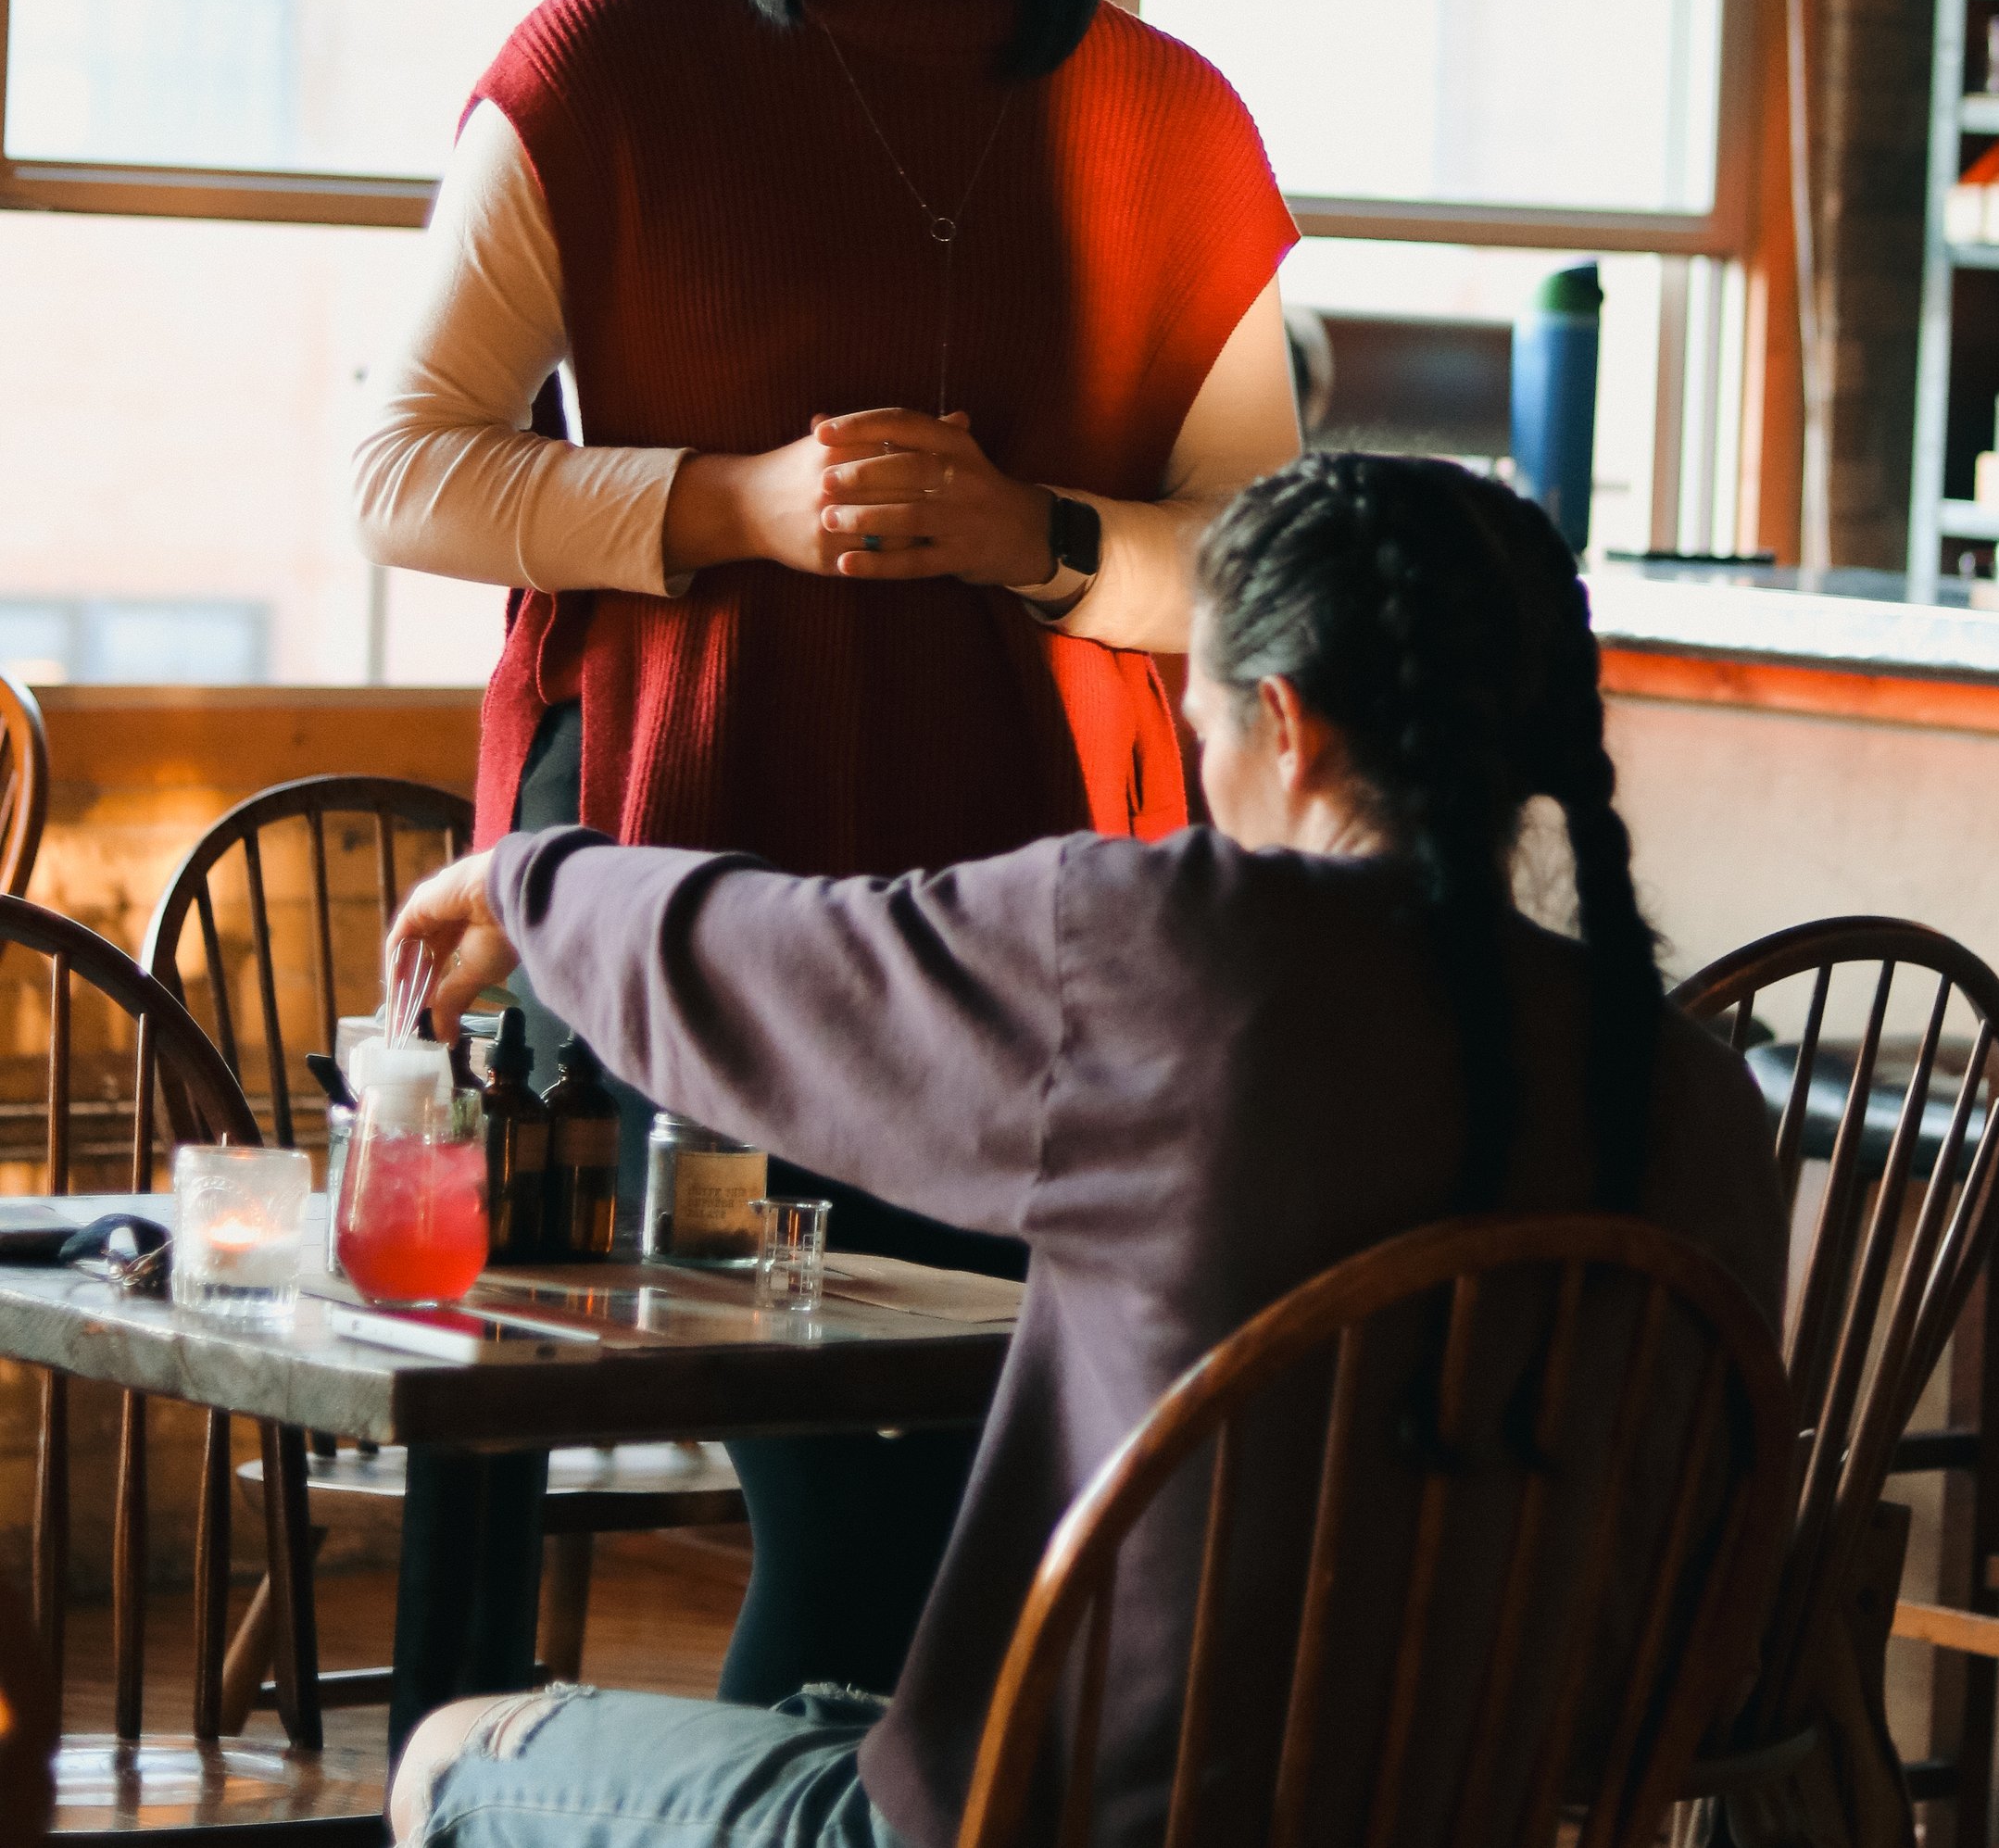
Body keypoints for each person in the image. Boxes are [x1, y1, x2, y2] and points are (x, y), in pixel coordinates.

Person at [352, 0, 1302, 1691]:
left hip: (1050, 961)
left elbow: (1262, 575)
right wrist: (733, 507)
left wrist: (1033, 538)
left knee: (983, 1547)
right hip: (687, 925)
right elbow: (395, 469)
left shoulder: (1170, 125)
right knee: (869, 1524)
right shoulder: (606, 67)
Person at [382, 454, 1786, 1848]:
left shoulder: (1175, 950)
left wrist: (520, 873)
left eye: (1205, 731)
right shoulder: (1692, 1098)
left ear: (1284, 726)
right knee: (838, 1708)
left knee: (449, 1751)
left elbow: (778, 959)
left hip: (1050, 1825)